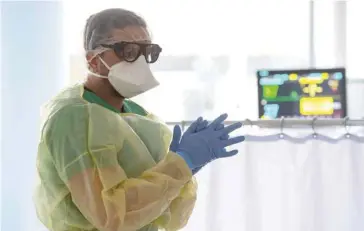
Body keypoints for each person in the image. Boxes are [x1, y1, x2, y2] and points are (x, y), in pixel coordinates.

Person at [33, 8, 245, 231]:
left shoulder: (142, 119)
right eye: (128, 51)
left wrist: (185, 168)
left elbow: (169, 219)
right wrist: (180, 164)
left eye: (148, 52)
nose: (141, 62)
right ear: (93, 60)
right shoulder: (72, 119)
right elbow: (111, 217)